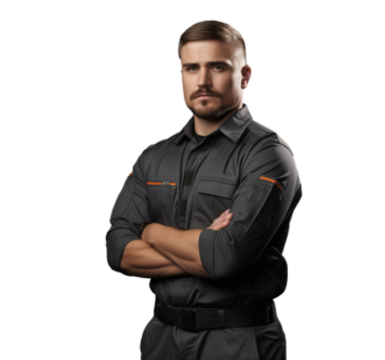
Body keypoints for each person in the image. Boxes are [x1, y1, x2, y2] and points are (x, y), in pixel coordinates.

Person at [104, 19, 302, 359]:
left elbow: (226, 258)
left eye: (218, 67)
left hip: (239, 342)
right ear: (180, 74)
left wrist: (151, 232)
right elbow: (116, 250)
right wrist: (199, 250)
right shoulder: (152, 156)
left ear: (246, 76)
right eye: (191, 67)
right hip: (161, 339)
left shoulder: (270, 155)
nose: (203, 80)